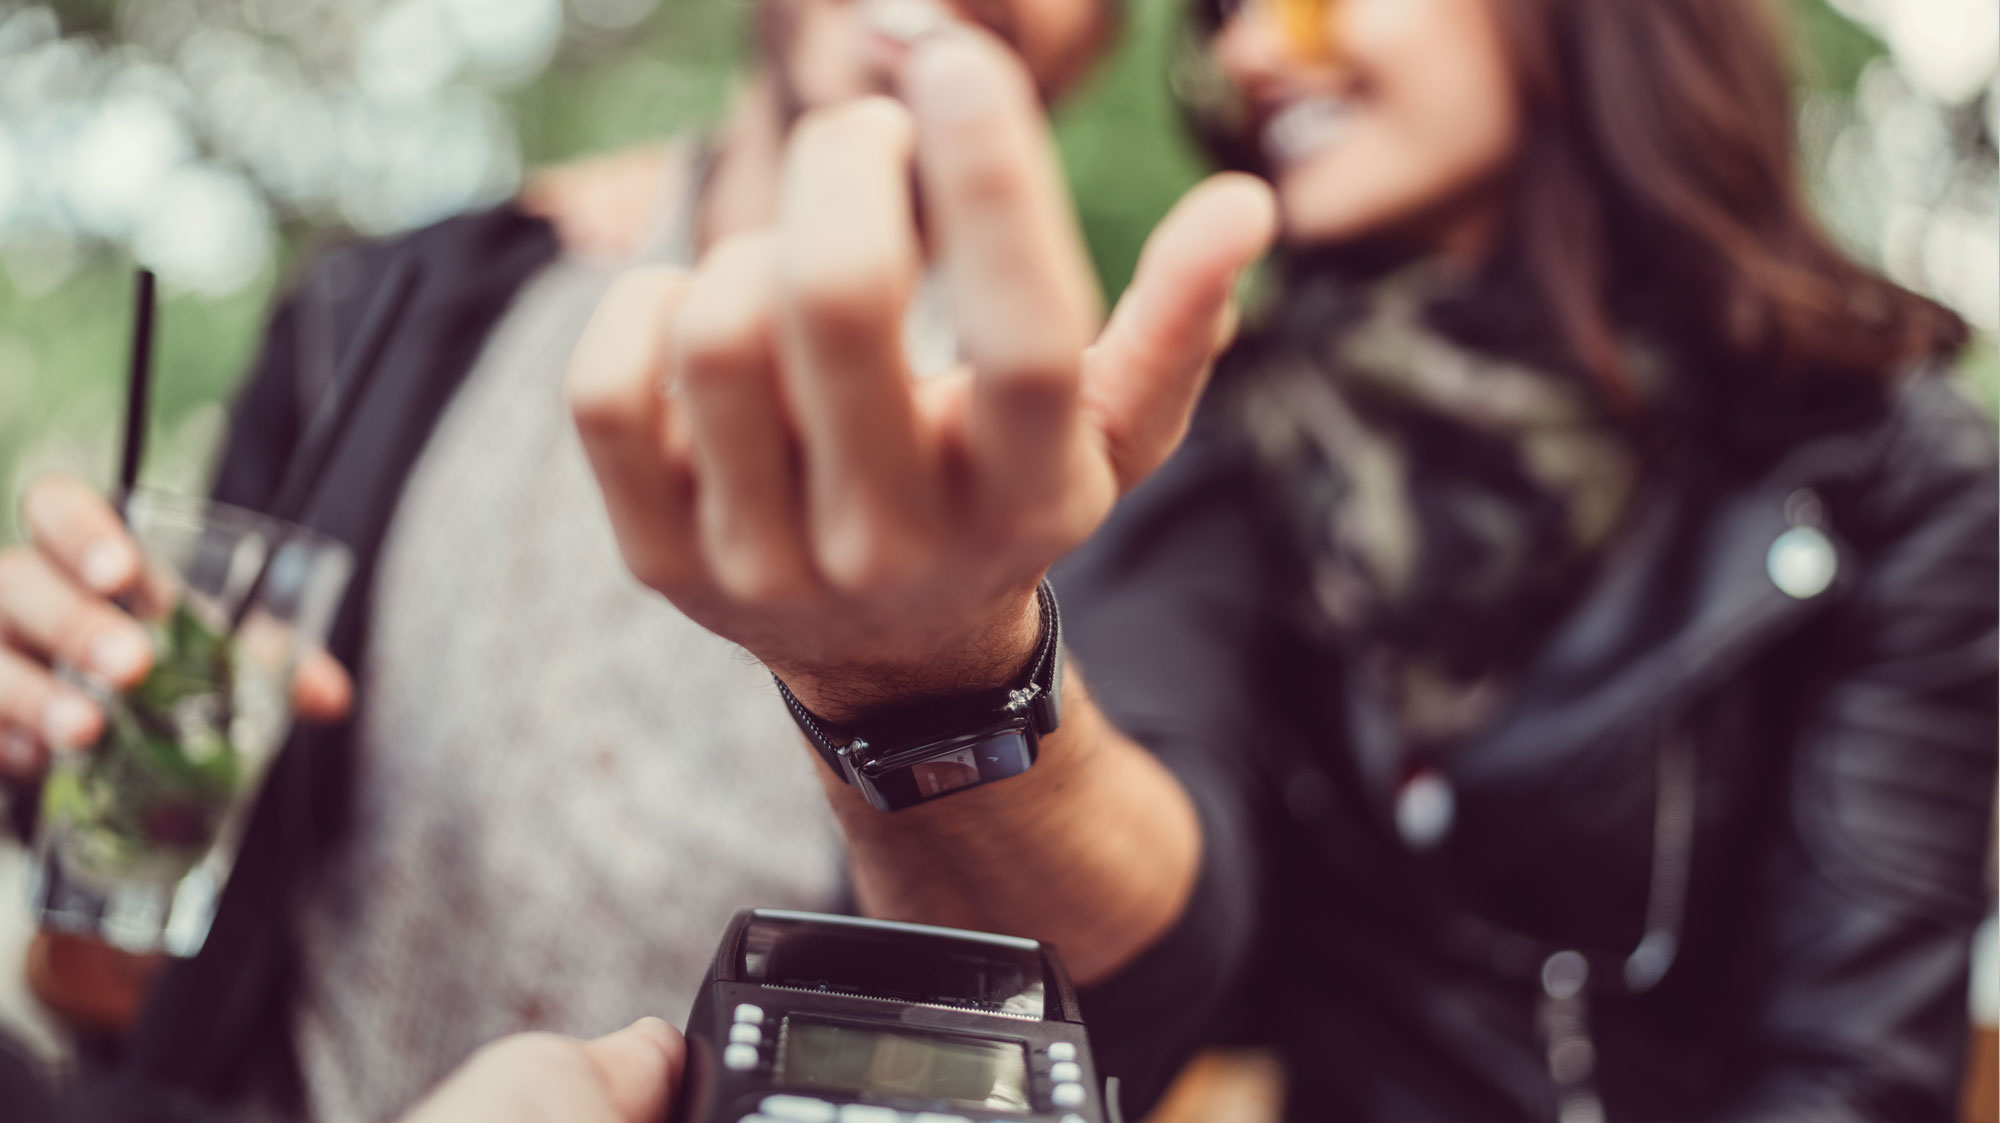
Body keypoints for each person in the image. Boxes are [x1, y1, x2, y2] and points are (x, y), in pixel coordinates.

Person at [564, 1, 1997, 1122]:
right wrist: (931, 679)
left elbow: (1854, 1071)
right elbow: (1117, 955)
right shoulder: (1222, 443)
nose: (1250, 49)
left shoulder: (1887, 473)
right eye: (1229, 6)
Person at [0, 1, 1257, 1118]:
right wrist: (81, 731)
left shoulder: (1131, 451)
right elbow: (134, 925)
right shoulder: (392, 308)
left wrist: (937, 678)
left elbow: (1147, 951)